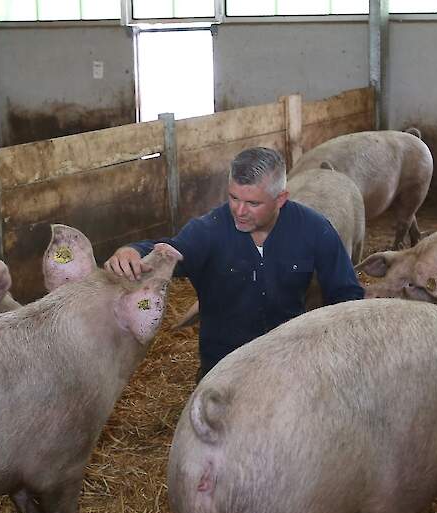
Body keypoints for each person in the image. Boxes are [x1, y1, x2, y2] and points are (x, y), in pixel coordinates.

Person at [105, 147, 364, 382]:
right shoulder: (209, 230)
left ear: (281, 198)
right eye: (233, 198)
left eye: (253, 203)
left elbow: (347, 295)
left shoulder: (315, 229)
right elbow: (170, 250)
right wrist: (132, 251)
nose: (239, 211)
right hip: (222, 368)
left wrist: (328, 353)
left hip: (287, 363)